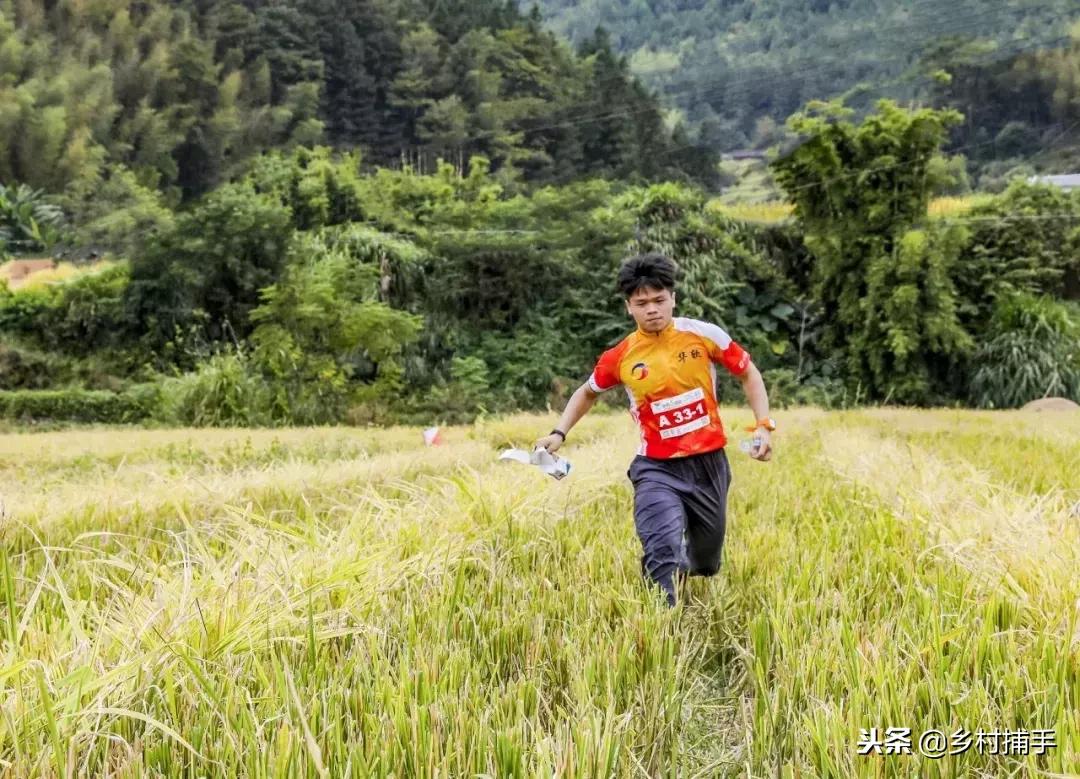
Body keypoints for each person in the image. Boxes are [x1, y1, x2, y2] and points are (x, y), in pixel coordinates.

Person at [535, 252, 774, 607]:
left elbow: (748, 373)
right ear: (628, 307)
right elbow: (587, 392)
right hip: (656, 468)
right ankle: (663, 618)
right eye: (641, 303)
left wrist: (764, 426)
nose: (652, 310)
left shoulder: (704, 335)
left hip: (708, 466)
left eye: (659, 300)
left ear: (673, 298)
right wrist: (559, 433)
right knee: (660, 547)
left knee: (706, 563)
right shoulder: (621, 356)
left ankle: (681, 562)